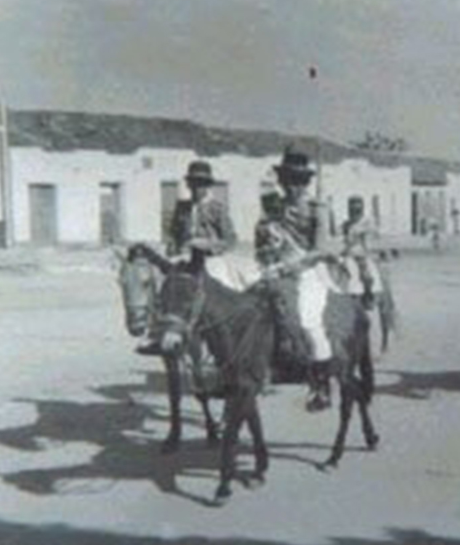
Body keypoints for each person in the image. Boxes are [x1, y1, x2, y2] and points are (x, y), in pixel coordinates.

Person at [254, 148, 336, 412]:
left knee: (309, 321)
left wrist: (293, 265)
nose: (292, 186)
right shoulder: (274, 209)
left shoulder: (317, 209)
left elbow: (320, 249)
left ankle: (321, 386)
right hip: (276, 268)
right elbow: (263, 242)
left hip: (309, 270)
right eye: (288, 180)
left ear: (306, 182)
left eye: (298, 181)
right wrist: (266, 257)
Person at [136, 160, 237, 355]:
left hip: (209, 259)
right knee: (161, 283)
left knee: (217, 285)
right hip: (184, 257)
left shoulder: (217, 208)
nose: (196, 188)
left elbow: (230, 240)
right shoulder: (182, 207)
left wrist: (207, 245)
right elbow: (174, 234)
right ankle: (156, 331)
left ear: (207, 186)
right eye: (193, 183)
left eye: (201, 183)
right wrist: (173, 247)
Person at [341, 195, 378, 307]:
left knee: (365, 272)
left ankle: (368, 294)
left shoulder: (366, 223)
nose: (354, 212)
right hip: (347, 252)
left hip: (360, 252)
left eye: (357, 210)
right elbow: (341, 238)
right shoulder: (346, 224)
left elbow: (369, 240)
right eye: (352, 210)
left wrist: (365, 252)